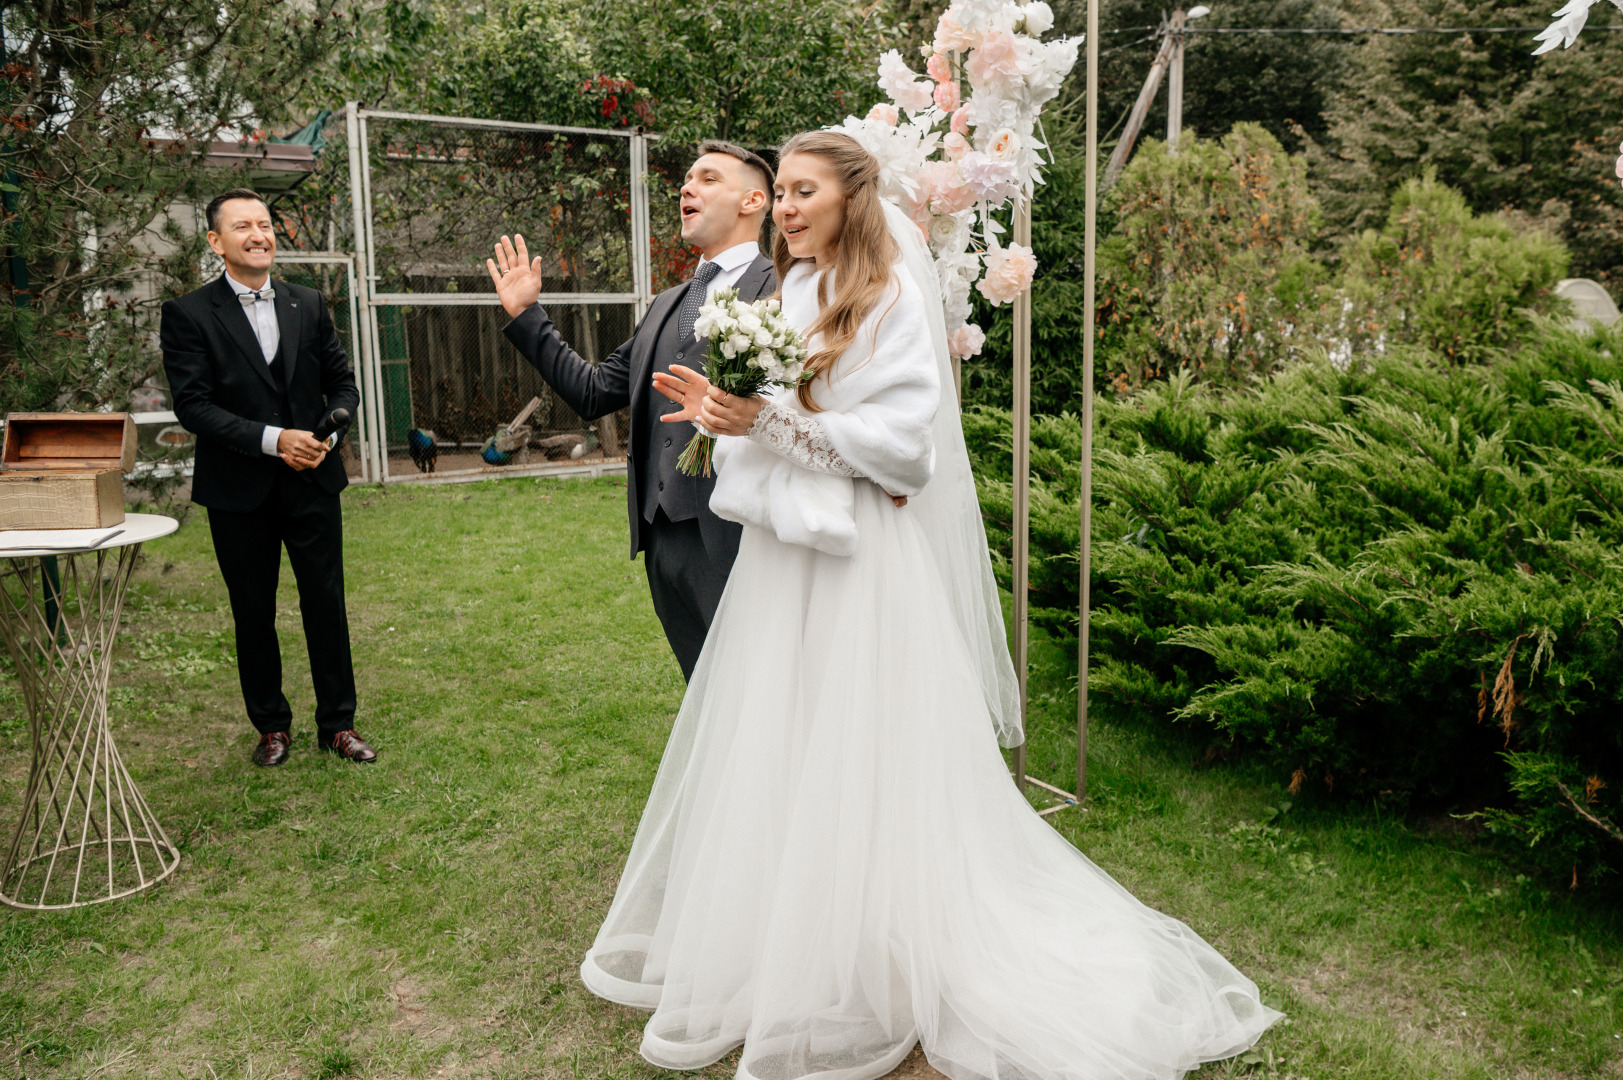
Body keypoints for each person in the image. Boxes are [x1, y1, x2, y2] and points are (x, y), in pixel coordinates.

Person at [578, 131, 1281, 1080]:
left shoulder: (888, 296)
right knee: (785, 745)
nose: (785, 208)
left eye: (802, 192)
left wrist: (770, 421)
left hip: (859, 568)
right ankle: (797, 941)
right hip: (780, 561)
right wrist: (728, 420)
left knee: (866, 749)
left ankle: (894, 951)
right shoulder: (783, 291)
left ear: (852, 199)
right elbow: (775, 418)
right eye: (778, 192)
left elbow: (905, 452)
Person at [489, 141, 777, 681]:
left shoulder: (784, 288)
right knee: (704, 697)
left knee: (757, 691)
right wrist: (528, 315)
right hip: (661, 537)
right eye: (687, 179)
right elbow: (596, 390)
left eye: (708, 178)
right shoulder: (668, 302)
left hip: (740, 537)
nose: (687, 188)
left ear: (754, 200)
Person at [160, 188, 375, 767]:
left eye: (265, 224)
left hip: (311, 483)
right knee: (252, 610)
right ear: (216, 242)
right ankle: (271, 727)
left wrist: (326, 438)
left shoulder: (308, 301)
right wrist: (273, 440)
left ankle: (338, 725)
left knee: (325, 603)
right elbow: (194, 406)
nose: (259, 234)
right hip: (239, 492)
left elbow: (344, 384)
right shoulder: (188, 314)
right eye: (243, 226)